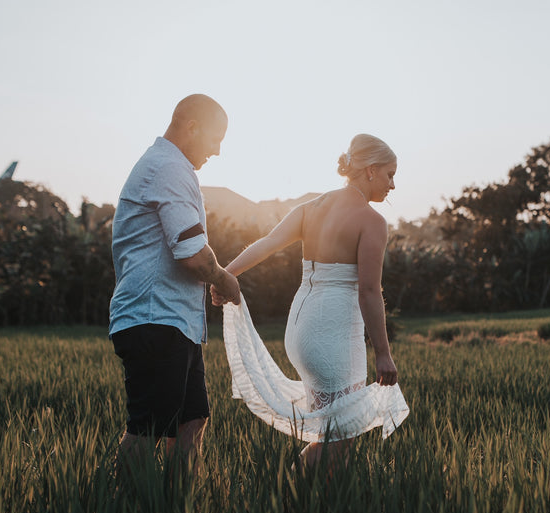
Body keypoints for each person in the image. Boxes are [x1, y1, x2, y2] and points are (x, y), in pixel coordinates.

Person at [214, 134, 409, 470]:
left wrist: (224, 274)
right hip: (334, 333)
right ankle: (292, 496)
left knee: (335, 434)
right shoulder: (372, 221)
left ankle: (315, 506)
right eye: (391, 174)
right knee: (338, 436)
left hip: (302, 330)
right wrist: (383, 353)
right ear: (371, 170)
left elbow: (268, 243)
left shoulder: (311, 207)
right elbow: (369, 291)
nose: (393, 184)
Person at [108, 94, 241, 479]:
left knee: (192, 422)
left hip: (173, 322)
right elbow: (192, 253)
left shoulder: (168, 166)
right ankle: (122, 512)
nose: (217, 151)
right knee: (147, 429)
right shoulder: (169, 167)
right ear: (192, 127)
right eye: (216, 139)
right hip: (155, 319)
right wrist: (222, 278)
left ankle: (179, 507)